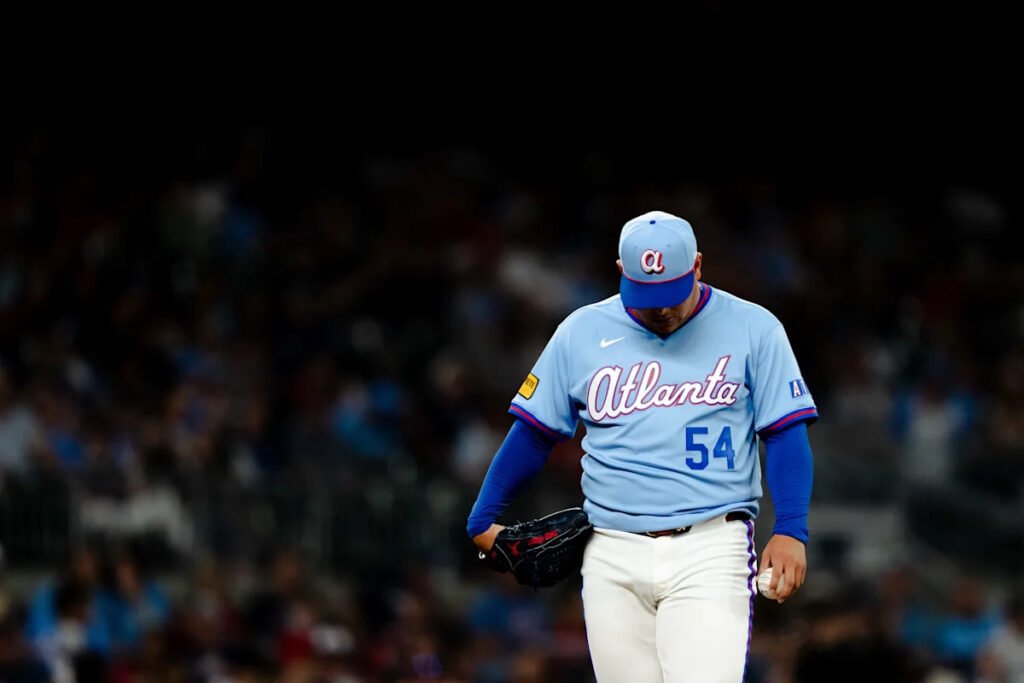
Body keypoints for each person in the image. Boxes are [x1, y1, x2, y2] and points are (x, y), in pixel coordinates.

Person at [467, 211, 817, 682]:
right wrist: (482, 517)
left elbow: (785, 432)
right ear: (621, 272)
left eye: (671, 293)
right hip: (611, 550)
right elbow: (534, 431)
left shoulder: (754, 328)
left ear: (697, 266)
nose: (662, 310)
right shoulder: (581, 332)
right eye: (649, 296)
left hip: (710, 545)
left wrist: (792, 529)